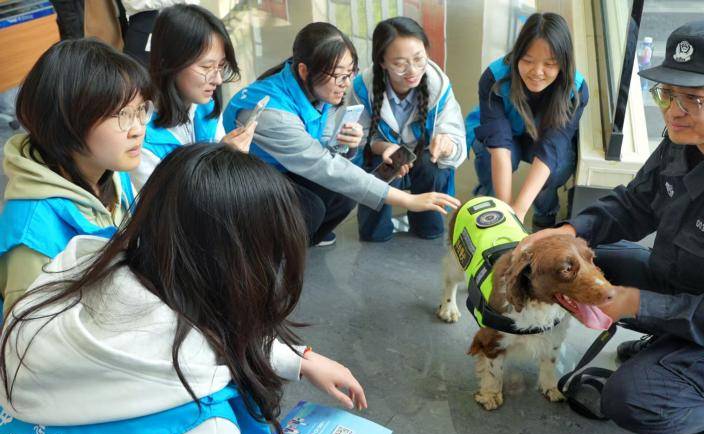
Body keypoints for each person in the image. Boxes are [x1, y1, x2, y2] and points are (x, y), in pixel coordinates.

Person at [530, 20, 704, 434]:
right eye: (668, 93)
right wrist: (565, 232)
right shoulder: (686, 135)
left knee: (631, 400)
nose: (673, 109)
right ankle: (674, 344)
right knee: (586, 260)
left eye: (694, 97)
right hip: (687, 278)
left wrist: (636, 303)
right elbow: (635, 203)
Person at [0, 143, 368, 434]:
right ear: (239, 270)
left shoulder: (72, 275)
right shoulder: (206, 430)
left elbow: (178, 319)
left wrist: (297, 358)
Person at [224, 22, 459, 247]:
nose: (346, 84)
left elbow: (330, 151)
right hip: (254, 182)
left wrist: (350, 145)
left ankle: (307, 237)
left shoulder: (316, 88)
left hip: (291, 169)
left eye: (350, 73)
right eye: (339, 75)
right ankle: (273, 248)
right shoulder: (273, 114)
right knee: (310, 207)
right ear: (305, 70)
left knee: (343, 194)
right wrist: (407, 200)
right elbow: (325, 165)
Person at [0, 39, 150, 312]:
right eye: (122, 114)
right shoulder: (31, 236)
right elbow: (28, 345)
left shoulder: (112, 172)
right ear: (67, 122)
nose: (138, 128)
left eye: (141, 110)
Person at [465, 12, 589, 228]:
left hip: (544, 139)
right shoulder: (494, 77)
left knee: (557, 166)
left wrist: (520, 210)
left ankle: (545, 209)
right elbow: (499, 143)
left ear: (563, 63)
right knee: (487, 156)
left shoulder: (575, 90)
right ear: (516, 55)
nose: (537, 72)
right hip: (507, 137)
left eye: (549, 64)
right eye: (528, 60)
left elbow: (551, 147)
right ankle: (490, 202)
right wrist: (506, 214)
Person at [349, 16, 466, 242]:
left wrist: (447, 145)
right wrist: (384, 148)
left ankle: (427, 225)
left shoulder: (439, 86)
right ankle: (377, 228)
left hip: (423, 162)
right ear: (382, 61)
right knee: (373, 236)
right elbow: (358, 139)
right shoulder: (362, 87)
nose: (413, 70)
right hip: (384, 159)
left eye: (419, 59)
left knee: (434, 166)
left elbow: (454, 134)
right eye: (400, 63)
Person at [132, 4, 254, 190]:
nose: (218, 79)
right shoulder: (138, 136)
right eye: (206, 67)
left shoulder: (205, 106)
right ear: (168, 61)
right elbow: (169, 206)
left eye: (221, 66)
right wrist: (219, 159)